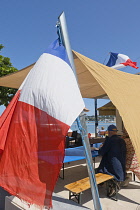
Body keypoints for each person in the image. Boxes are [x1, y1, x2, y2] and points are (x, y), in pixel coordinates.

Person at [97, 124, 126, 197]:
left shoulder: (110, 140)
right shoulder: (122, 140)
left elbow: (101, 152)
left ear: (109, 132)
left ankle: (101, 183)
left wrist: (100, 148)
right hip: (121, 167)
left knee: (99, 169)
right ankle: (103, 183)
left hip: (112, 168)